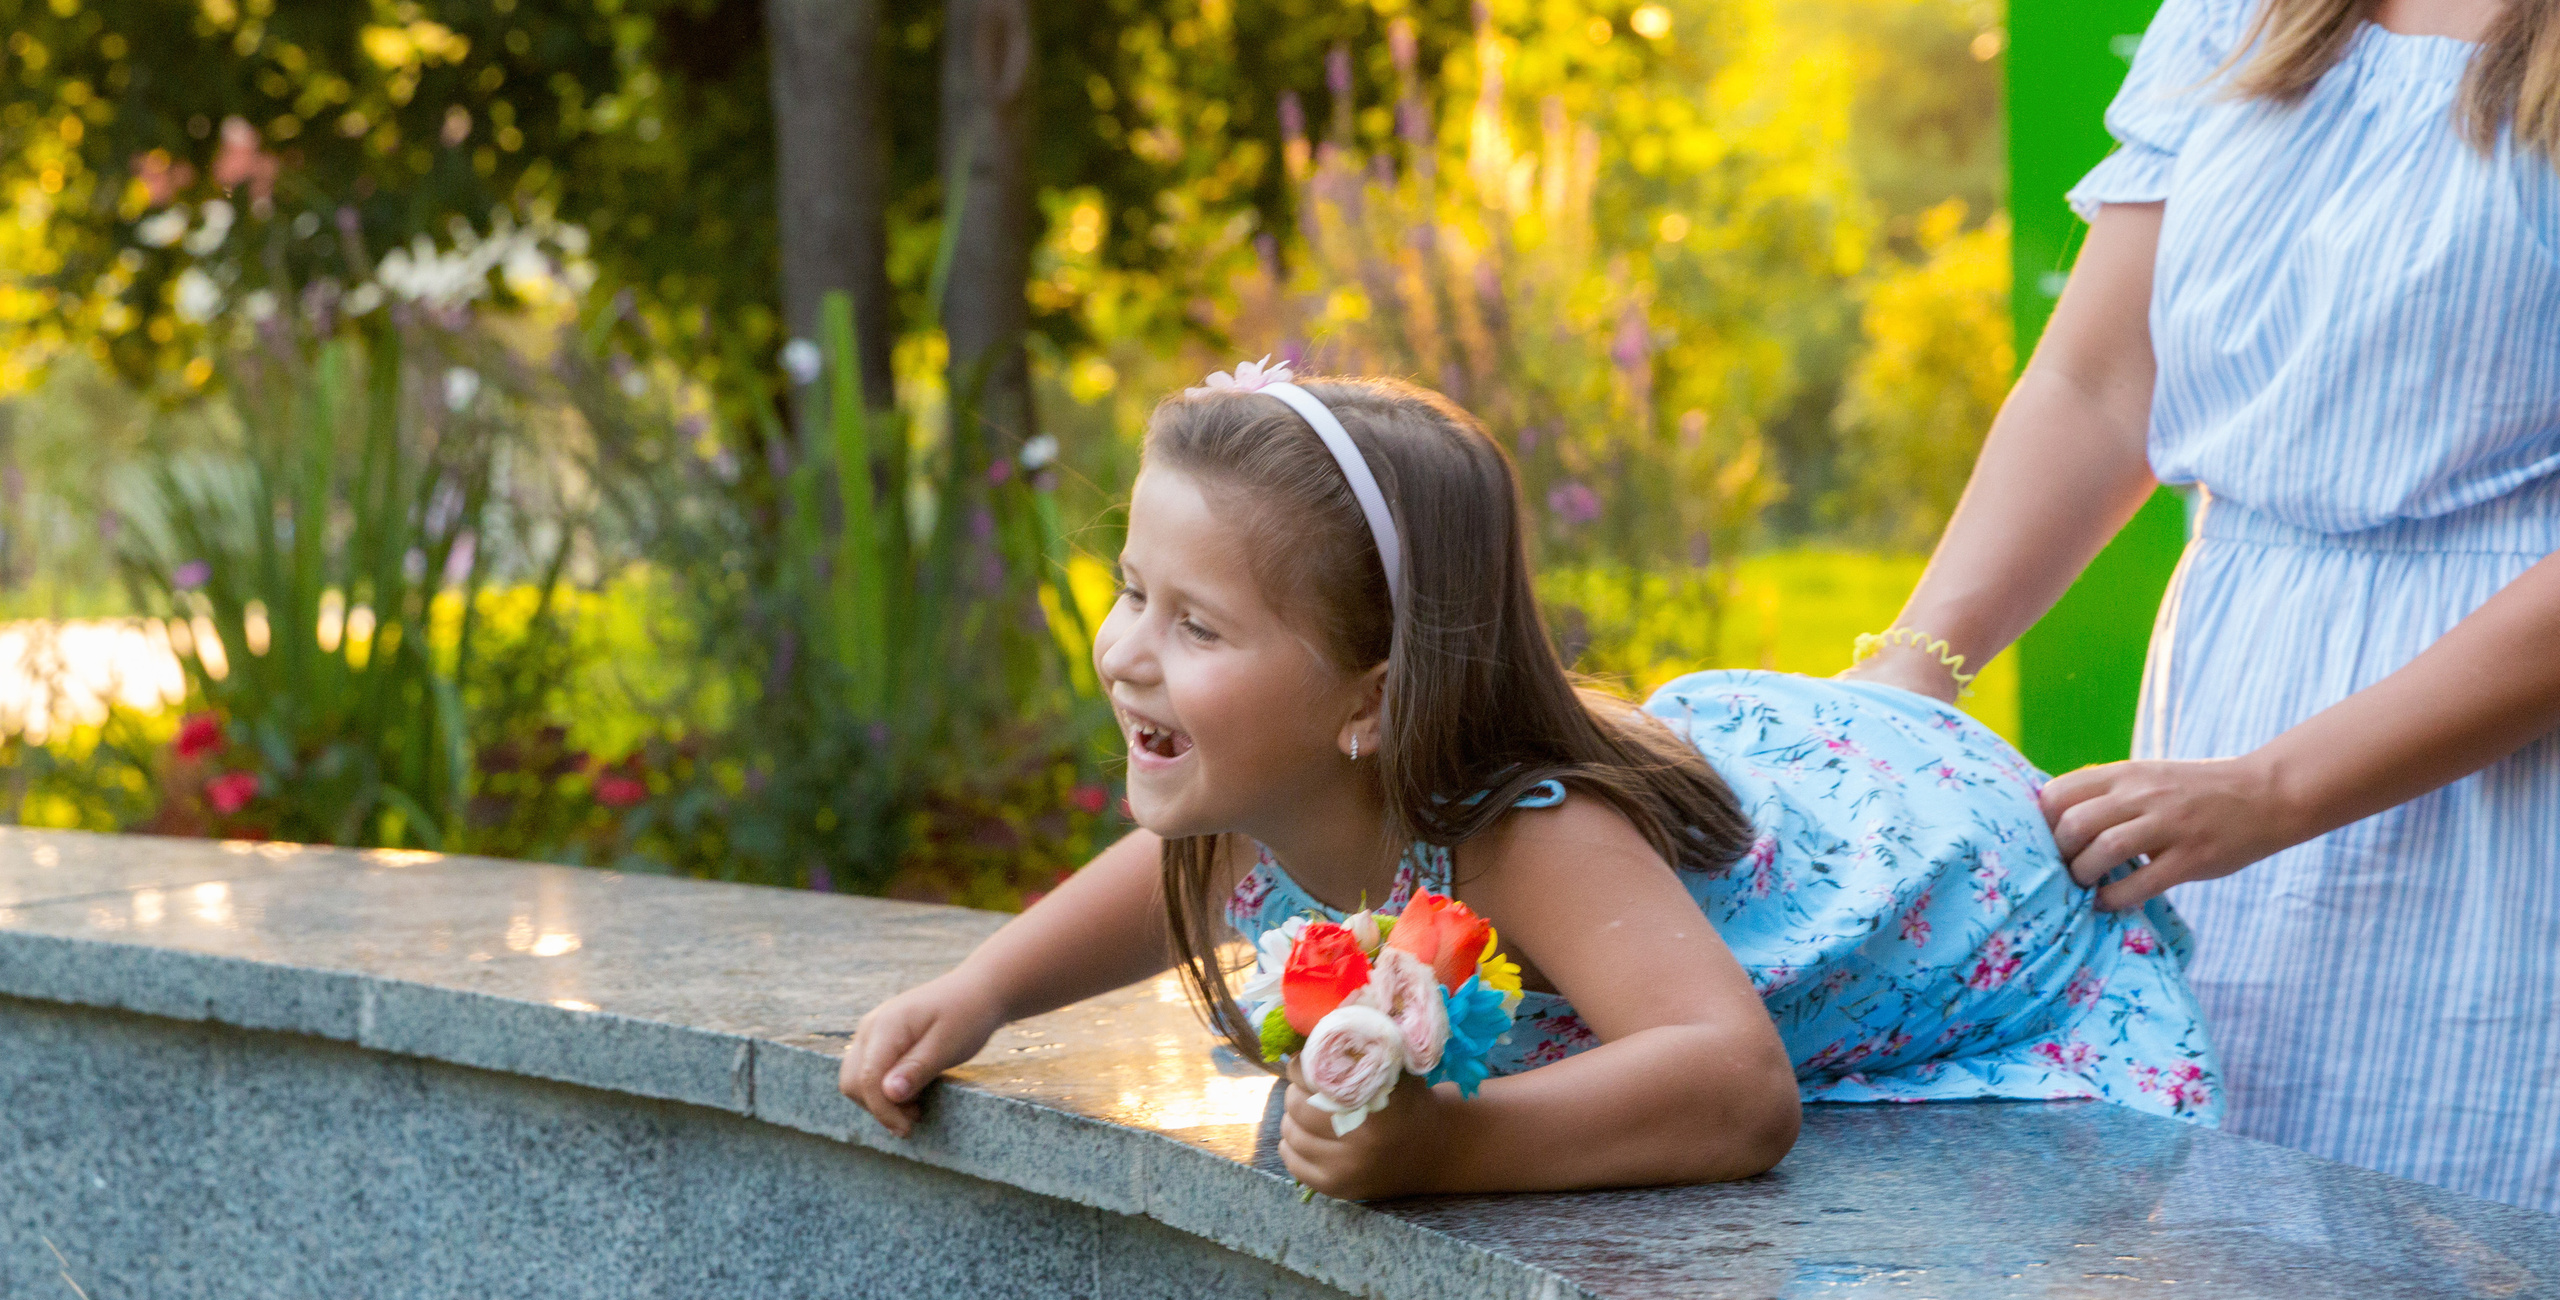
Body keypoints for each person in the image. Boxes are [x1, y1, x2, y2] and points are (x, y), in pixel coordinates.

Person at [842, 368, 2217, 1200]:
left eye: (1196, 626)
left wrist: (1450, 1146)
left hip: (1965, 888)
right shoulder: (1287, 778)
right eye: (1134, 590)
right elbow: (1183, 874)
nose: (1127, 652)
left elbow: (1738, 1088)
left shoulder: (1520, 830)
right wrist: (987, 987)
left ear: (1369, 704)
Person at [1845, 0, 2560, 1213]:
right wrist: (1915, 661)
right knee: (2240, 1283)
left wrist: (2279, 788)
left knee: (2478, 1293)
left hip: (2498, 758)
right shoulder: (2240, 12)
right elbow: (2100, 380)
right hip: (2232, 704)